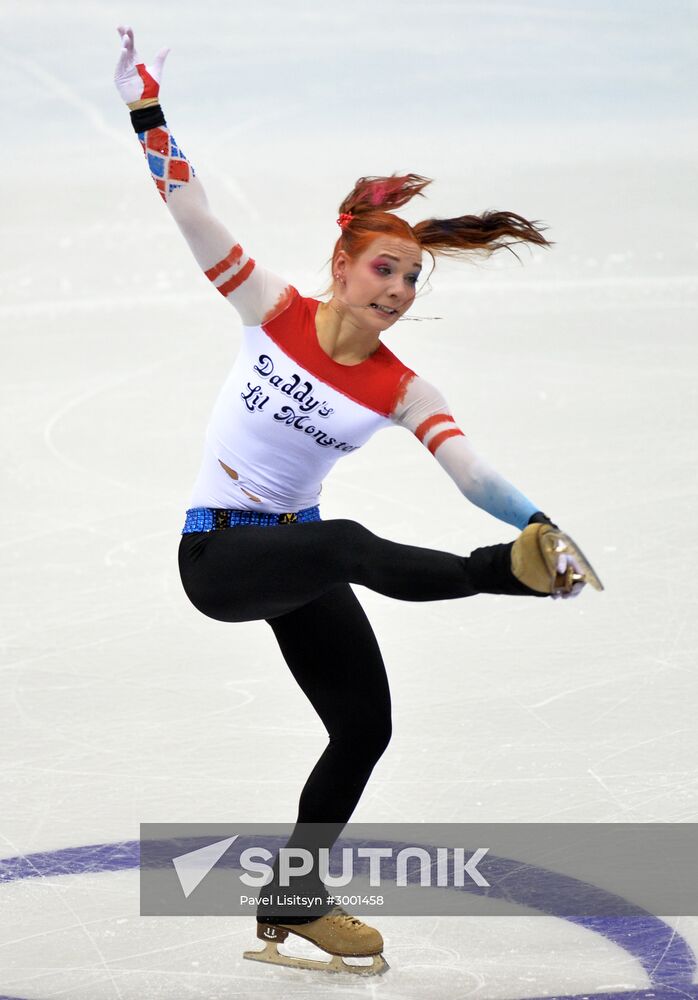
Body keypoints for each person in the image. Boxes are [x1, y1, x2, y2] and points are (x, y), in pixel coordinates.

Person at [114, 25, 602, 976]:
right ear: (341, 266)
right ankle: (505, 580)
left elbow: (471, 473)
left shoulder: (400, 387)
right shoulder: (269, 307)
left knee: (365, 726)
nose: (401, 289)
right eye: (386, 269)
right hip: (218, 559)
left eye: (413, 278)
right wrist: (145, 108)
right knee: (342, 540)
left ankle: (294, 896)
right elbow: (185, 201)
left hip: (293, 557)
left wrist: (539, 522)